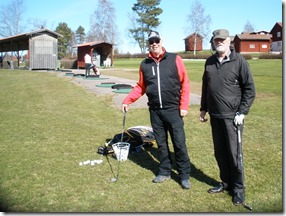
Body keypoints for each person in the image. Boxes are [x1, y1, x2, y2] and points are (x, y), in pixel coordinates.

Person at [121, 30, 191, 189]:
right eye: (151, 41)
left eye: (156, 40)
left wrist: (184, 106)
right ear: (149, 44)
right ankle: (164, 171)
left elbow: (185, 83)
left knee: (179, 143)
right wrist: (127, 100)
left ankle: (184, 174)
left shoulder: (175, 59)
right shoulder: (145, 64)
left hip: (173, 110)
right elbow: (141, 87)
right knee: (161, 143)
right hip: (155, 111)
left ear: (161, 41)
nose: (154, 44)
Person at [200, 29, 256, 205]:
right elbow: (205, 87)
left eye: (222, 40)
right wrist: (203, 108)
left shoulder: (239, 61)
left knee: (234, 154)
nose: (219, 42)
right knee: (220, 153)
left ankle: (238, 189)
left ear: (229, 40)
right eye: (216, 40)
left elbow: (250, 89)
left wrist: (242, 112)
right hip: (215, 115)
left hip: (233, 117)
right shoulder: (209, 62)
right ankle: (225, 182)